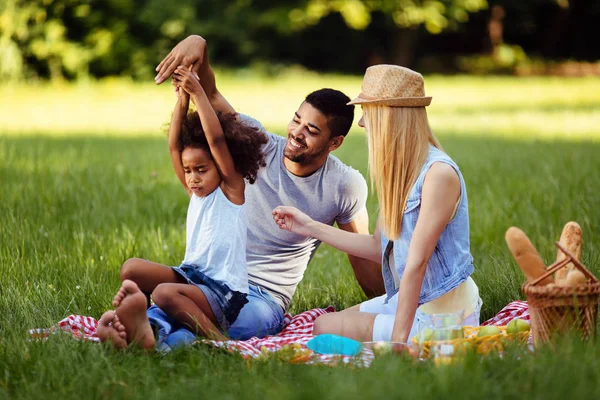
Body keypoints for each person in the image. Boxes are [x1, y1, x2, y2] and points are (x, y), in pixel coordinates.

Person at [109, 35, 384, 345]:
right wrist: (199, 45)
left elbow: (361, 255)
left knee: (171, 299)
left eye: (311, 130)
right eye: (297, 121)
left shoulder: (342, 185)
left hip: (263, 299)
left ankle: (154, 330)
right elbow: (210, 95)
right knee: (154, 283)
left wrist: (391, 307)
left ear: (334, 143)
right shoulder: (258, 145)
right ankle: (156, 334)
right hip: (209, 279)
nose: (296, 133)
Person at [273, 65, 481, 344]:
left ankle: (420, 341)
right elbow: (376, 246)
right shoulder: (400, 172)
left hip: (443, 315)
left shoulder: (438, 174)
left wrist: (398, 339)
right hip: (415, 301)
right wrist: (309, 226)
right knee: (322, 324)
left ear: (389, 116)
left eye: (367, 113)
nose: (361, 123)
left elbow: (416, 265)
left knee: (327, 332)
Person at [97, 66, 267, 351]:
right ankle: (142, 326)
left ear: (222, 166)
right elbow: (174, 147)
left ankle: (217, 339)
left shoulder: (231, 190)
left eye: (201, 169)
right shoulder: (195, 192)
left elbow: (216, 141)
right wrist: (182, 101)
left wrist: (199, 93)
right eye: (188, 171)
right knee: (131, 269)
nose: (192, 177)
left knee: (163, 293)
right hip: (190, 275)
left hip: (223, 292)